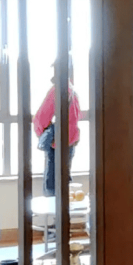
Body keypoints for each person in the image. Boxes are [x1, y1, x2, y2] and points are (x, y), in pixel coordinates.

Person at [33, 59, 82, 196]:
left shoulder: (57, 90)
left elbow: (41, 118)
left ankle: (55, 209)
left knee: (52, 187)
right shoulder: (73, 92)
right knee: (64, 184)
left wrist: (43, 134)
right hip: (70, 143)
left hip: (57, 143)